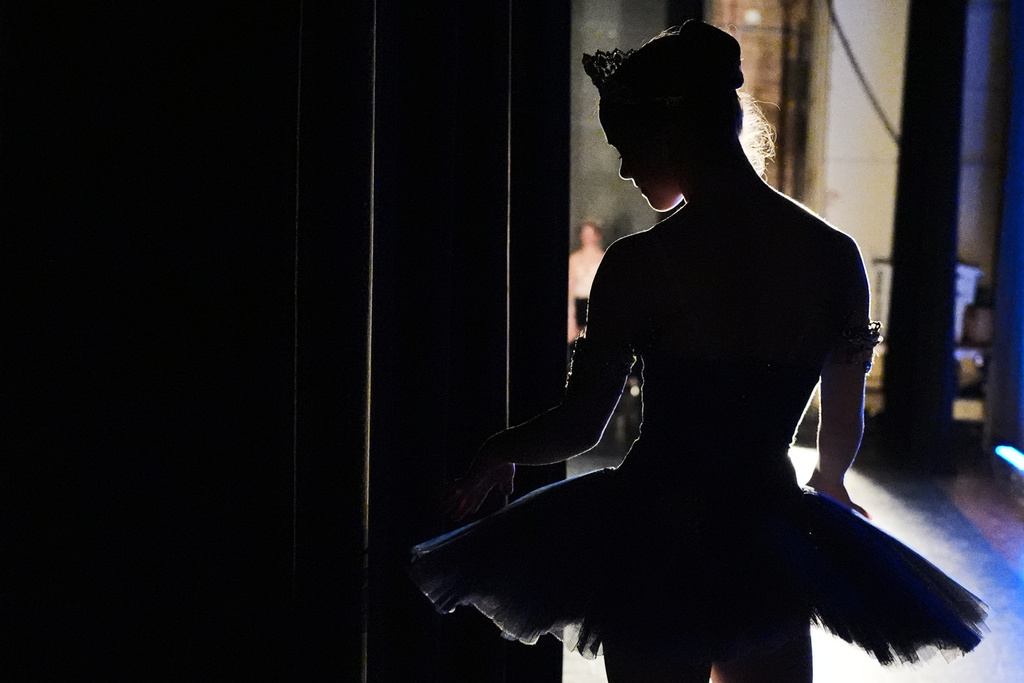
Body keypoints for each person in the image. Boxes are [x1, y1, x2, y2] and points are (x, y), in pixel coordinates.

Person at [410, 21, 985, 683]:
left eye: (626, 146)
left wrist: (499, 449)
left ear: (670, 133)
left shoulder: (640, 265)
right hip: (764, 529)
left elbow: (580, 424)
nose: (624, 167)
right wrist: (829, 480)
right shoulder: (832, 256)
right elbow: (844, 418)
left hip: (658, 532)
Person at [568, 221, 606, 343]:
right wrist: (570, 319)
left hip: (597, 305)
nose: (587, 237)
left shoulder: (603, 257)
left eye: (590, 234)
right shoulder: (574, 259)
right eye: (585, 234)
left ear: (597, 235)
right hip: (579, 306)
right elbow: (570, 289)